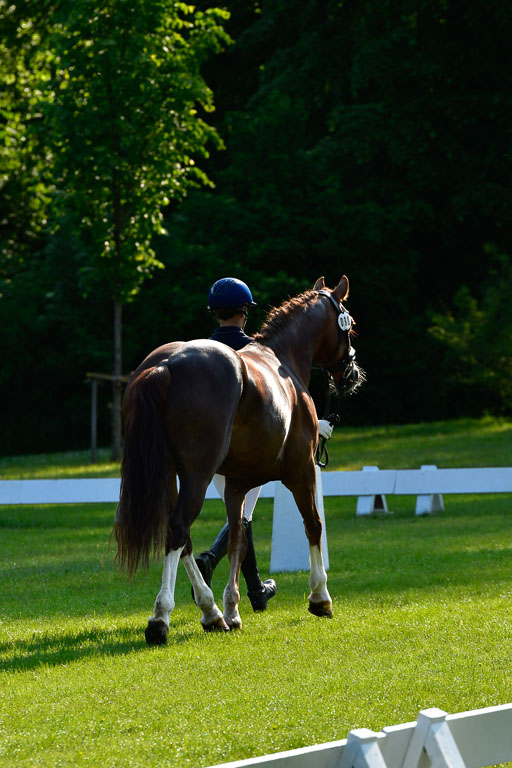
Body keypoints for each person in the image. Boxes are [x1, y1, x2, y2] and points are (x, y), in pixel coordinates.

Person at [195, 277, 334, 612]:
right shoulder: (258, 354)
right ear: (245, 311)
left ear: (214, 312)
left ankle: (255, 588)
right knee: (242, 517)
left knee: (240, 514)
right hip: (255, 442)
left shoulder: (201, 357)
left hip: (207, 445)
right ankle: (212, 559)